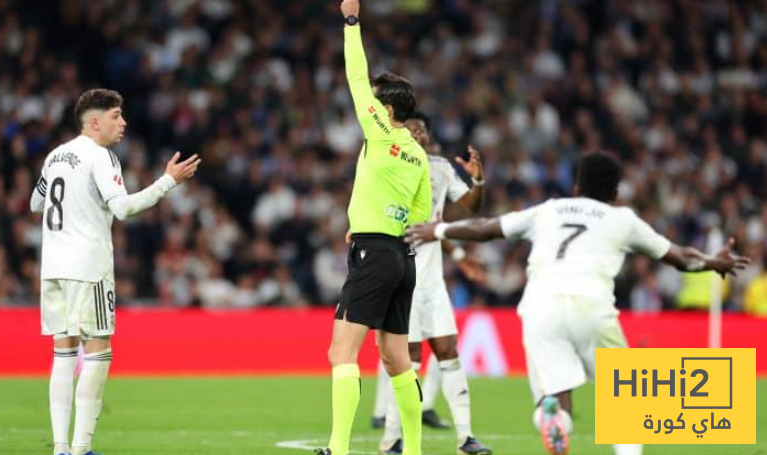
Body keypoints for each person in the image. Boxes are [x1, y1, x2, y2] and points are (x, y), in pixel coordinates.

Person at [405, 151, 749, 455]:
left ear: (577, 186)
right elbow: (680, 257)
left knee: (555, 398)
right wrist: (712, 262)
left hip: (540, 308)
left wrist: (439, 231)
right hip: (592, 306)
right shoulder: (623, 219)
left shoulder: (549, 210)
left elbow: (487, 228)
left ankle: (552, 416)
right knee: (626, 405)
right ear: (615, 193)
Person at [31, 88, 200, 455]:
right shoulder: (101, 156)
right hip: (88, 267)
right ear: (94, 121)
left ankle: (60, 448)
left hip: (53, 268)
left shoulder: (55, 155)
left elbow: (35, 202)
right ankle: (81, 449)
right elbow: (123, 209)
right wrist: (167, 181)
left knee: (63, 354)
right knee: (98, 353)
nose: (123, 122)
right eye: (115, 116)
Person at [314, 1, 432, 455]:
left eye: (377, 100)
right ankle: (414, 449)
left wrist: (351, 22)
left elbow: (355, 77)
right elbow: (419, 213)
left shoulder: (380, 131)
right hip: (403, 259)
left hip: (374, 255)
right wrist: (373, 221)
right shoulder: (417, 154)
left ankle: (338, 448)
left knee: (341, 353)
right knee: (397, 359)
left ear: (386, 108)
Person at [378, 111, 491, 455]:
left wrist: (478, 181)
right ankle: (392, 437)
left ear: (427, 137)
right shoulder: (388, 165)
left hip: (433, 282)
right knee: (408, 359)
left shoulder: (440, 168)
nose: (416, 134)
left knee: (448, 351)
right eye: (410, 129)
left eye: (421, 130)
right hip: (401, 280)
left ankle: (465, 438)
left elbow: (470, 207)